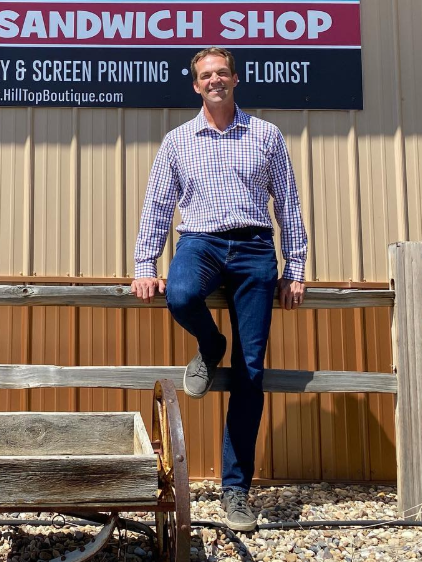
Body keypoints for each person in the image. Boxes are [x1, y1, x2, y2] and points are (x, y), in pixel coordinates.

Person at [131, 46, 307, 533]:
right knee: (182, 295)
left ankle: (236, 490)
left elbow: (287, 204)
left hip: (253, 249)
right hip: (200, 243)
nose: (215, 80)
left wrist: (295, 268)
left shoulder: (266, 135)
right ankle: (211, 344)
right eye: (206, 75)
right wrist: (145, 263)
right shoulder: (178, 140)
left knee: (250, 371)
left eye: (222, 73)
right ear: (195, 85)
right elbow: (158, 206)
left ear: (235, 79)